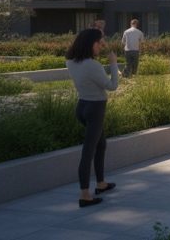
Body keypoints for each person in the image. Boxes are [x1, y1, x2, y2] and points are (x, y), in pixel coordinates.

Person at [66, 28, 119, 208]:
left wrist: (102, 43)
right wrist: (113, 63)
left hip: (82, 106)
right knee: (88, 152)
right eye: (99, 43)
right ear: (91, 44)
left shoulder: (71, 61)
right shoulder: (93, 65)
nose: (101, 46)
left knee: (101, 144)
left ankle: (101, 184)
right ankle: (85, 195)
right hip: (95, 109)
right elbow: (112, 86)